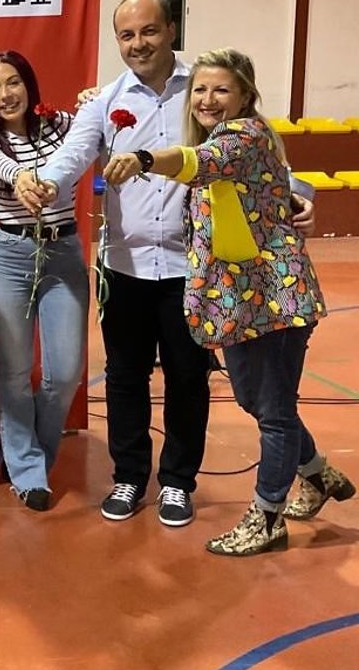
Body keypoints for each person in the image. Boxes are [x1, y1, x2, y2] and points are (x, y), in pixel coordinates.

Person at [29, 0, 315, 528]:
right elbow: (73, 154)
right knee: (125, 376)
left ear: (170, 31)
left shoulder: (204, 90)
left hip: (195, 270)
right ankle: (129, 475)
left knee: (187, 377)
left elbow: (258, 152)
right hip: (125, 265)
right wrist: (44, 183)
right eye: (127, 35)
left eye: (149, 31)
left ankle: (179, 482)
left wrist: (302, 197)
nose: (138, 44)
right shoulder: (105, 100)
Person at [103, 48, 353, 555]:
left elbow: (201, 163)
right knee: (255, 401)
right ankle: (317, 474)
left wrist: (145, 158)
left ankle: (267, 517)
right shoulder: (226, 139)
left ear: (244, 96)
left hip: (276, 299)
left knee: (275, 412)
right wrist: (297, 196)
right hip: (235, 302)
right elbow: (272, 182)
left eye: (221, 90)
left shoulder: (244, 135)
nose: (208, 99)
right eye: (200, 89)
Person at [0, 51, 87, 512]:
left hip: (63, 254)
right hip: (9, 256)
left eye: (13, 82)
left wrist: (97, 103)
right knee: (15, 372)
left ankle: (34, 451)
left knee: (66, 371)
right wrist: (20, 176)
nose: (5, 94)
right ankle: (28, 472)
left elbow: (95, 135)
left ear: (29, 85)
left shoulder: (63, 126)